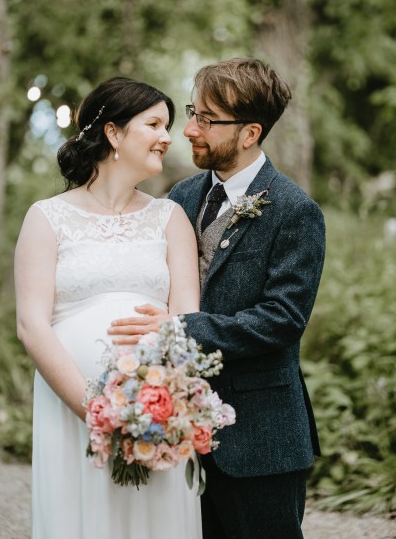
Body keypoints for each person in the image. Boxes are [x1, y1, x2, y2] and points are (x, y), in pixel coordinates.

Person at [107, 58, 326, 539]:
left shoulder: (295, 211)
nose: (188, 129)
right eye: (193, 112)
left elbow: (282, 319)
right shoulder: (180, 197)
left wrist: (179, 327)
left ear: (250, 133)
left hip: (262, 440)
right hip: (177, 433)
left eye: (207, 119)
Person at [14, 77, 203, 539]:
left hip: (156, 414)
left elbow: (186, 318)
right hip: (72, 410)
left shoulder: (171, 217)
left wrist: (159, 407)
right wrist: (96, 410)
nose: (167, 136)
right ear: (113, 134)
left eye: (169, 125)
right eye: (155, 123)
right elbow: (31, 326)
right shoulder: (47, 217)